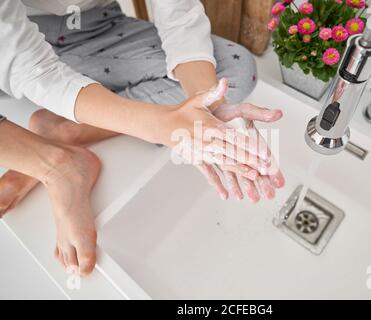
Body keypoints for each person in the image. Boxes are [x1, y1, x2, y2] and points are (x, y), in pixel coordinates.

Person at [0, 0, 285, 276]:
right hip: (14, 45)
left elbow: (179, 15)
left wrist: (205, 105)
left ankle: (68, 130)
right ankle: (51, 162)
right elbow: (30, 67)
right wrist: (160, 126)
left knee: (235, 68)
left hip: (100, 30)